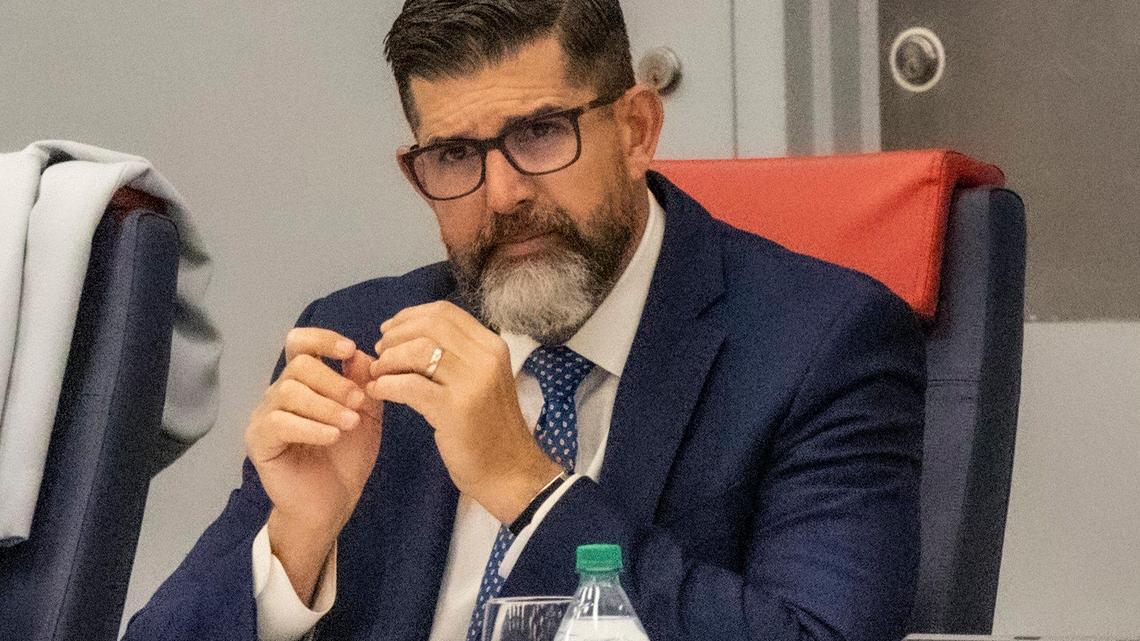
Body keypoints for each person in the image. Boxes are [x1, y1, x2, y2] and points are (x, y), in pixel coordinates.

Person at [123, 1, 926, 640]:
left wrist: (527, 487)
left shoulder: (824, 345)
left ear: (637, 129)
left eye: (540, 133)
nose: (502, 193)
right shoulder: (360, 339)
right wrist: (294, 543)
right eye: (455, 155)